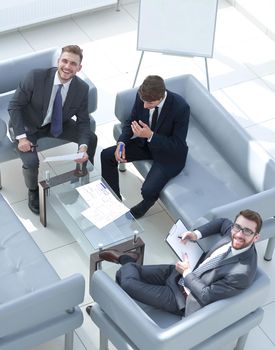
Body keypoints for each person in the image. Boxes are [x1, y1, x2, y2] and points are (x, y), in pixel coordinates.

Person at [99, 209, 262, 316]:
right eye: (237, 227)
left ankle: (124, 259)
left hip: (182, 298)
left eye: (247, 231)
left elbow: (207, 295)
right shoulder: (232, 232)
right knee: (128, 274)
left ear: (256, 237)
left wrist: (186, 273)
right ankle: (127, 263)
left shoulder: (242, 273)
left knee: (126, 282)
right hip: (178, 274)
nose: (239, 234)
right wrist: (195, 234)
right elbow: (221, 223)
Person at [8, 45, 97, 214]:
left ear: (79, 68)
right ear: (58, 62)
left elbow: (84, 121)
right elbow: (14, 106)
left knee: (90, 139)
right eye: (64, 61)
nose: (67, 66)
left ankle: (81, 172)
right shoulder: (35, 76)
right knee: (31, 161)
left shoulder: (81, 88)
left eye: (73, 63)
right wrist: (21, 138)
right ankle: (33, 190)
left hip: (58, 123)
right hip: (29, 126)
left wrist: (83, 148)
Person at [101, 75, 190, 218]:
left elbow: (178, 146)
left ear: (161, 96)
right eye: (143, 101)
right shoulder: (142, 96)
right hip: (144, 144)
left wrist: (151, 136)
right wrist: (122, 142)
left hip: (168, 155)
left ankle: (147, 203)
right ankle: (112, 200)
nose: (145, 106)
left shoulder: (181, 108)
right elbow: (132, 120)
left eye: (150, 103)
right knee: (106, 155)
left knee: (148, 191)